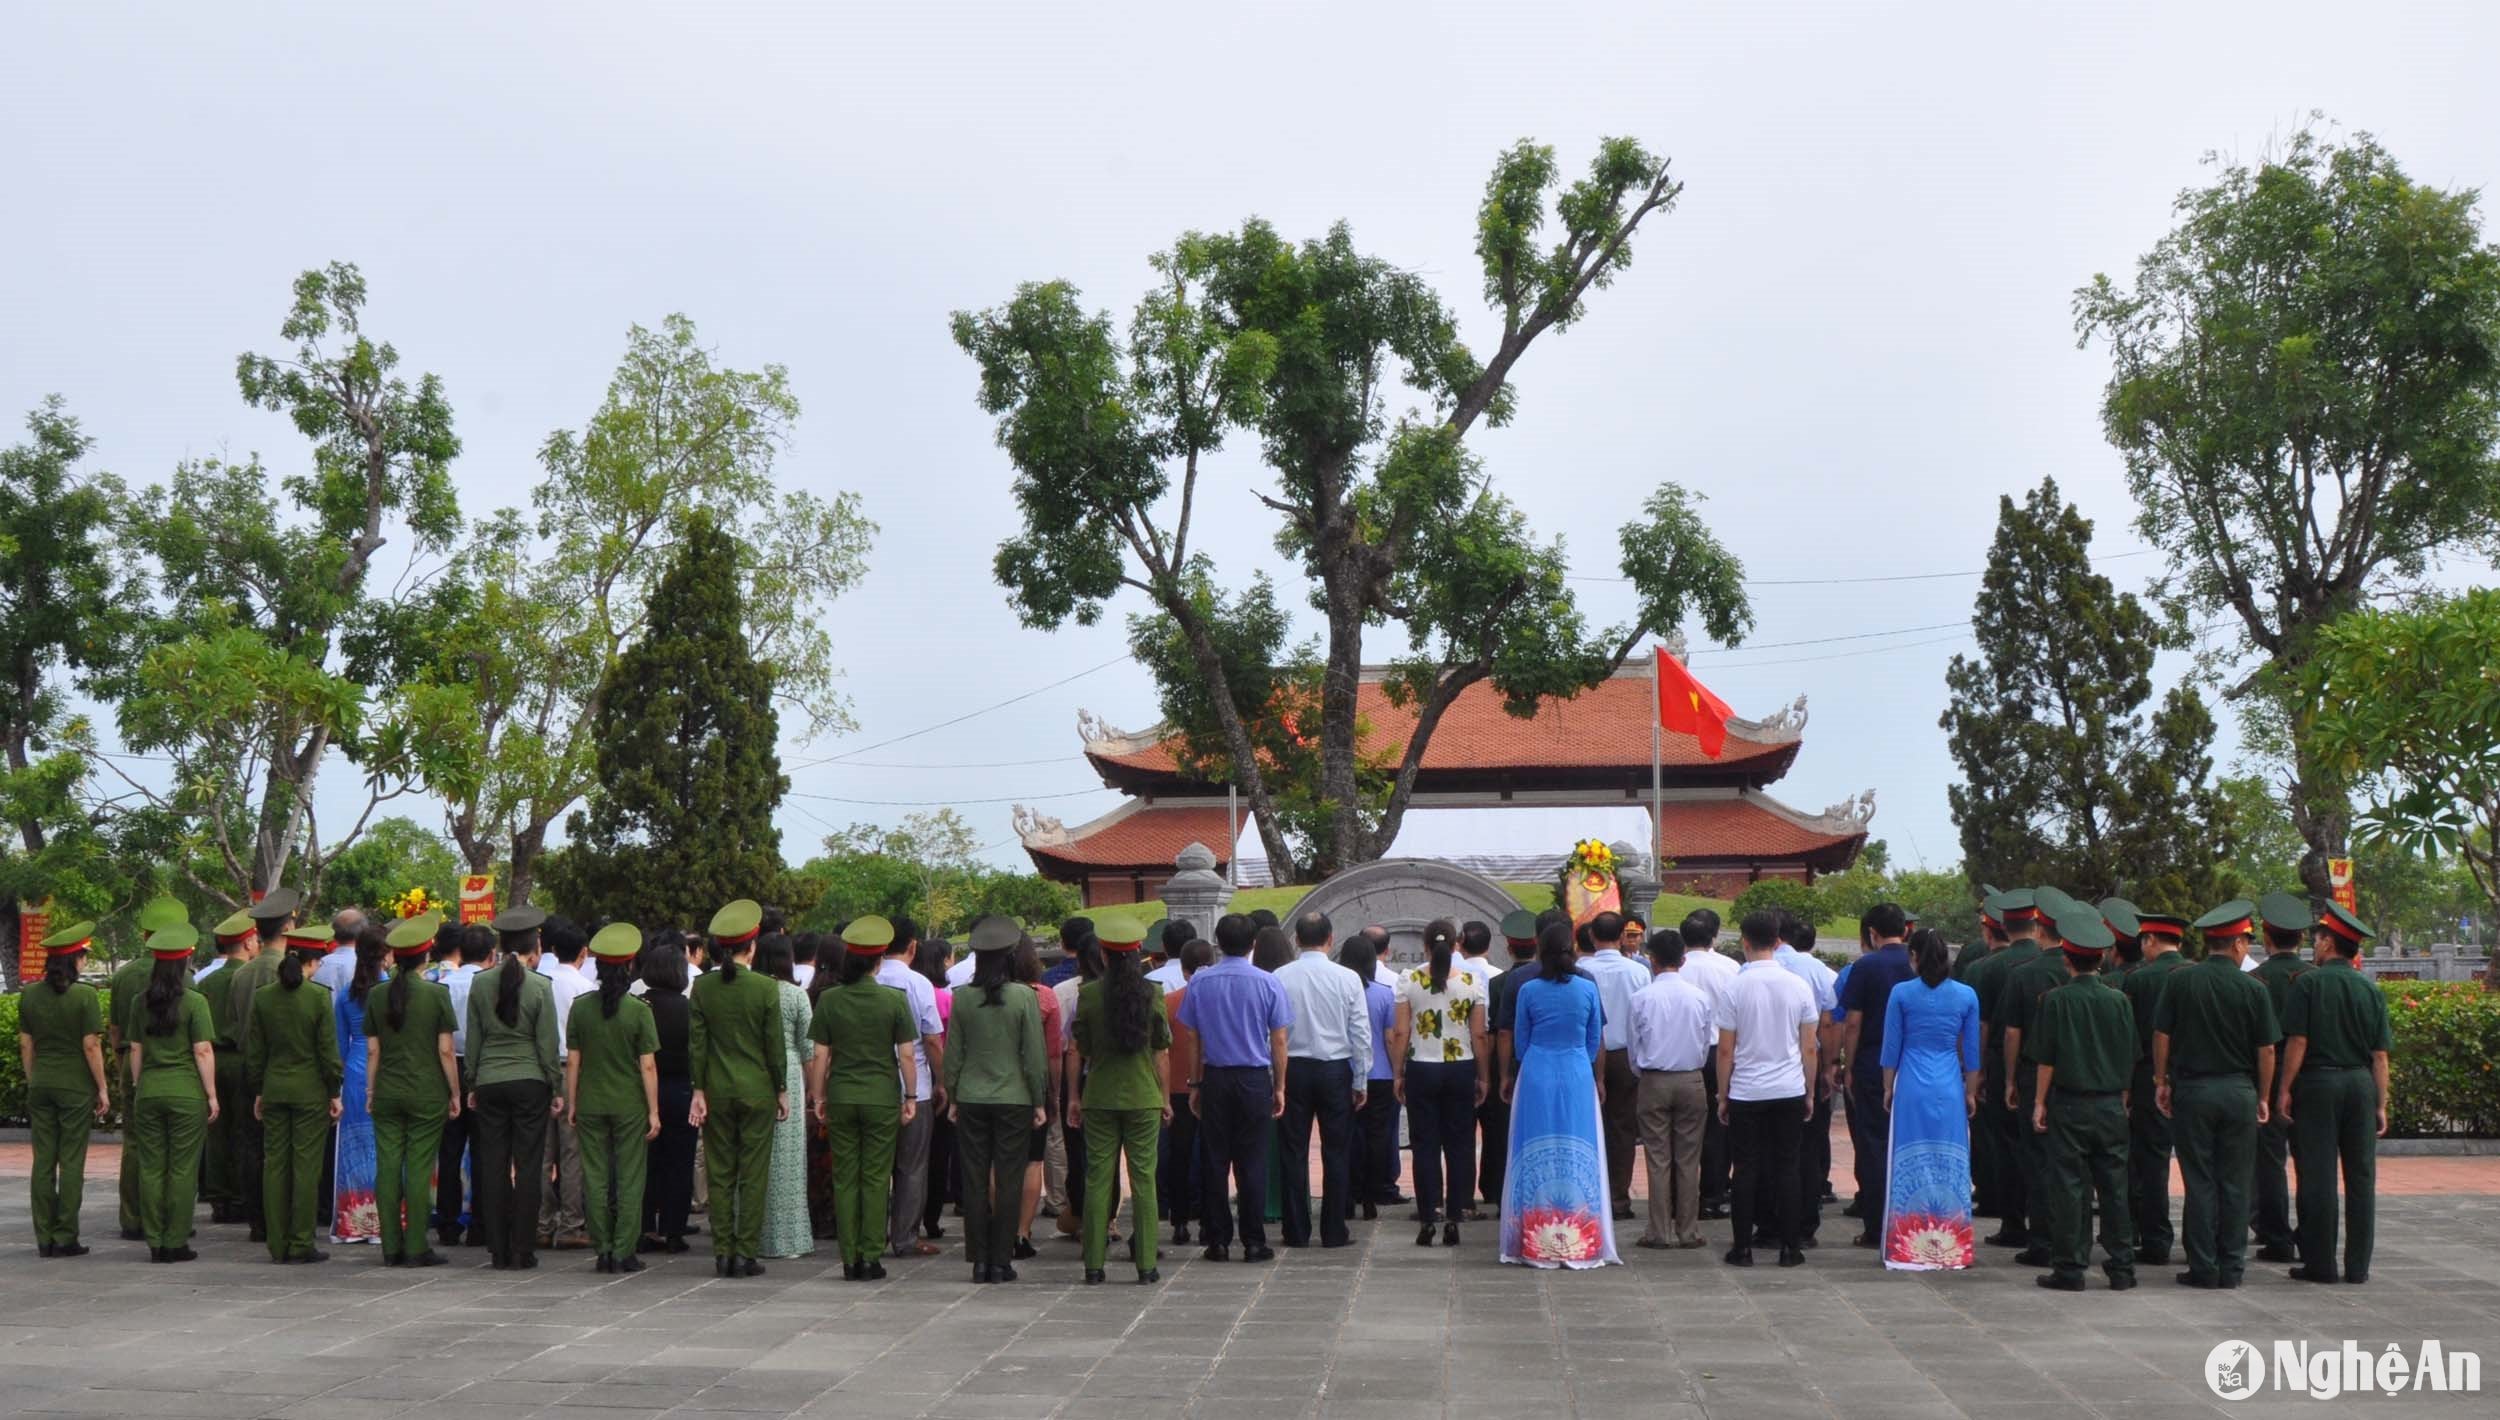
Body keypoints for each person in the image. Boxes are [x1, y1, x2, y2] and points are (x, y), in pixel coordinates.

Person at [2156, 901, 2282, 1289]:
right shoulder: (2253, 988)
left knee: (2199, 1180)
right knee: (2235, 1180)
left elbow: (2162, 1035)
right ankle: (2232, 1265)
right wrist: (2263, 1095)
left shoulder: (2179, 981)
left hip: (2193, 1091)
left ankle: (2203, 1265)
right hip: (2239, 1091)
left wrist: (2161, 1081)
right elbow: (2267, 1050)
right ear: (2239, 944)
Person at [2277, 903, 2391, 1285]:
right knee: (2361, 1178)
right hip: (2360, 1084)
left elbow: (2297, 1041)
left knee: (2319, 1176)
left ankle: (2320, 1264)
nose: (2314, 944)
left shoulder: (2307, 983)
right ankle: (2358, 1267)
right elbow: (2380, 1055)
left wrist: (2285, 1089)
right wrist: (2381, 1103)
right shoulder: (2370, 989)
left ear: (2328, 943)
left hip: (2319, 1084)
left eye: (2318, 938)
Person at [2026, 909, 2138, 1292]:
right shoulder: (2119, 1000)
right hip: (2110, 1105)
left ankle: (2071, 1268)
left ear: (2066, 959)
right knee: (2114, 1187)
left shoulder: (2055, 1001)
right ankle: (2122, 1266)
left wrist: (2039, 1102)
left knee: (2069, 1188)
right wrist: (2122, 1098)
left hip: (2070, 1104)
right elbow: (2128, 1056)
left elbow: (2047, 1059)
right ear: (2101, 959)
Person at [1499, 920, 1617, 1268]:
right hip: (1578, 1070)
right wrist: (1588, 1068)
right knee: (1580, 1144)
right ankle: (1582, 1238)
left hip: (1536, 1071)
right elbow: (1594, 1040)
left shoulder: (1528, 990)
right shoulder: (1587, 990)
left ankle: (1534, 1240)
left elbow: (1520, 1040)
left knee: (1533, 1144)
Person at [809, 915, 919, 1282]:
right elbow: (906, 1054)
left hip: (841, 1095)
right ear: (877, 960)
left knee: (845, 1178)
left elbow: (821, 1055)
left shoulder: (829, 999)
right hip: (881, 1097)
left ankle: (849, 1256)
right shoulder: (894, 1000)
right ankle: (871, 1255)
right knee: (875, 1178)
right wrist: (912, 1095)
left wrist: (818, 1097)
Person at [1178, 912, 1292, 1262]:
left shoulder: (1200, 982)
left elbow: (1193, 1039)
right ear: (1253, 944)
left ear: (1218, 942)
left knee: (1215, 1159)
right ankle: (1254, 1240)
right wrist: (1280, 1086)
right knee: (1252, 1161)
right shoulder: (1268, 982)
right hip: (1254, 1077)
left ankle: (1218, 1239)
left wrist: (1196, 1083)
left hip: (1215, 1076)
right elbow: (1279, 1040)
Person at [943, 917, 1046, 1284]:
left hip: (971, 1096)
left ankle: (979, 1259)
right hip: (1014, 1097)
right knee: (1008, 1178)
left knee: (973, 1179)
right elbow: (1033, 1055)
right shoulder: (1024, 996)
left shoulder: (963, 998)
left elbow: (953, 1052)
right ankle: (1002, 1260)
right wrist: (1039, 1100)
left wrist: (953, 1094)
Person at [692, 899, 789, 1278]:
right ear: (753, 946)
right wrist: (780, 1087)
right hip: (757, 1090)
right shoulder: (765, 988)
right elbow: (774, 1047)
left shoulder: (703, 988)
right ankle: (746, 1253)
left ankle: (722, 1251)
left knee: (719, 1172)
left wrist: (699, 1089)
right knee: (753, 1173)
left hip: (716, 1089)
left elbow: (696, 1045)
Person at [1072, 917, 1172, 1285]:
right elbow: (1162, 1050)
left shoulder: (1089, 994)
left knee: (1098, 1178)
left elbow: (1081, 1046)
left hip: (1099, 1095)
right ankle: (1146, 1265)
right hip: (1143, 1095)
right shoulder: (1153, 993)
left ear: (1103, 952)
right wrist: (1164, 1098)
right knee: (1144, 1180)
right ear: (1138, 954)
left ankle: (1094, 1264)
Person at [1717, 910, 1817, 1268]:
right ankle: (1790, 1247)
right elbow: (1809, 1047)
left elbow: (1726, 1049)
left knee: (1745, 1168)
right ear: (1778, 941)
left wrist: (1723, 1093)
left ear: (1744, 941)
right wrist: (1808, 1090)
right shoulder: (1798, 985)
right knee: (1787, 1167)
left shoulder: (1735, 987)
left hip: (1746, 1089)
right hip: (1788, 1087)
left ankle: (1742, 1247)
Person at [1877, 928, 1981, 1270]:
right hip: (1949, 1085)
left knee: (1910, 1160)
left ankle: (1907, 1246)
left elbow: (1891, 1047)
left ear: (1915, 957)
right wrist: (1970, 1091)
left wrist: (1887, 1087)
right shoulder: (1966, 995)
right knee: (1950, 1162)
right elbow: (1971, 1052)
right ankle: (1952, 1246)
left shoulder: (1902, 993)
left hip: (1911, 1084)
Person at [465, 907, 562, 1271]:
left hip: (489, 1081)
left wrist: (472, 1081)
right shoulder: (540, 986)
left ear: (501, 945)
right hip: (530, 1082)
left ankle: (498, 1249)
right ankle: (523, 1248)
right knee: (529, 1165)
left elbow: (473, 1039)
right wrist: (555, 1085)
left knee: (491, 1166)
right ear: (534, 945)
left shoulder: (480, 983)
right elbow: (547, 1044)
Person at [247, 921, 345, 1263]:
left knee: (275, 1166)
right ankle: (301, 1241)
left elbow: (255, 1052)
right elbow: (328, 1053)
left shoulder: (263, 999)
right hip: (310, 1093)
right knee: (305, 1168)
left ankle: (277, 1242)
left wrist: (259, 1090)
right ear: (311, 961)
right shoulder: (318, 997)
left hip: (274, 1089)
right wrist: (334, 1092)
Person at [566, 922, 659, 1274]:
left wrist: (573, 1102)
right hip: (630, 1104)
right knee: (631, 1177)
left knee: (595, 1176)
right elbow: (647, 1066)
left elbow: (573, 1060)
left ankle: (602, 1248)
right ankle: (624, 1250)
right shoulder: (639, 1010)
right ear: (630, 965)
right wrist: (654, 1111)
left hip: (590, 1101)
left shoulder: (581, 1007)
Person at [1273, 911, 1369, 1250]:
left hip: (1294, 1069)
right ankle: (1333, 1230)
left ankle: (1296, 1230)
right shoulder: (1347, 978)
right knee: (1336, 1151)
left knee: (1293, 1151)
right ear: (1330, 939)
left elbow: (1274, 1033)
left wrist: (1277, 1080)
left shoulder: (1280, 976)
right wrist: (1361, 1078)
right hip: (1334, 1069)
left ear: (1297, 940)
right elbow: (1360, 1032)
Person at [367, 913, 459, 1268]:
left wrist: (371, 1091)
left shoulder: (376, 996)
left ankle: (390, 1245)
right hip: (426, 1091)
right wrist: (454, 1092)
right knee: (419, 1168)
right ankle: (417, 1245)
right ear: (426, 956)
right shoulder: (437, 994)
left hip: (388, 1090)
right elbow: (446, 1050)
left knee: (388, 1166)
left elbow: (373, 1049)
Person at [123, 923, 218, 1263]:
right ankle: (175, 1240)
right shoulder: (195, 1002)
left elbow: (135, 1049)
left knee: (151, 1166)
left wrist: (138, 1085)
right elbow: (203, 1051)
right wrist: (211, 1094)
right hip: (186, 1093)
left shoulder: (139, 1002)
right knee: (181, 1168)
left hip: (149, 1089)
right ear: (184, 963)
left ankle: (155, 1239)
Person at [1392, 918, 1490, 1247]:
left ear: (1425, 946)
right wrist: (1484, 1074)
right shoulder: (1471, 981)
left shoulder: (1410, 981)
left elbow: (1402, 1032)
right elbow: (1479, 1033)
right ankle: (1456, 1213)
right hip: (1460, 1067)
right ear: (1457, 943)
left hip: (1422, 1066)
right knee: (1460, 1144)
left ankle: (1429, 1212)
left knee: (1426, 1145)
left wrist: (1398, 1072)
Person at [21, 921, 112, 1257]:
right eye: (84, 956)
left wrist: (34, 1080)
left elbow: (26, 1045)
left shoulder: (29, 994)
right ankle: (65, 1236)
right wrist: (102, 1087)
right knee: (71, 1161)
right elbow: (91, 1046)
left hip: (42, 1084)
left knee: (43, 1160)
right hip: (74, 1087)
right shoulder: (85, 996)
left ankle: (43, 1237)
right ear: (75, 960)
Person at [1999, 892, 2078, 1268]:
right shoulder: (2082, 968)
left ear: (2040, 930)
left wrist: (2011, 1079)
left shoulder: (2023, 974)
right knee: (2075, 1164)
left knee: (2037, 1161)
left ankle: (2043, 1240)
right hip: (2078, 1078)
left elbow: (2012, 1033)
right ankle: (2074, 1241)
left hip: (2034, 1076)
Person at [1626, 923, 1712, 1251]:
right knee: (1689, 1159)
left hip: (1654, 1079)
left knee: (1657, 1158)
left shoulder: (1641, 998)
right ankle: (1688, 1230)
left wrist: (1642, 1072)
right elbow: (1705, 1043)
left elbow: (1635, 1046)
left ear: (1652, 960)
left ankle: (1659, 1231)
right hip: (1691, 1078)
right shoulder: (1699, 998)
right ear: (1683, 960)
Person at [108, 896, 187, 1240]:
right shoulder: (188, 980)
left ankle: (132, 1217)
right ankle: (169, 1219)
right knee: (175, 1150)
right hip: (176, 1068)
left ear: (144, 935)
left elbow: (114, 1030)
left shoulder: (124, 975)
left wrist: (121, 1063)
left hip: (133, 1062)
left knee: (136, 1143)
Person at [1835, 906, 1914, 1246]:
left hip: (1872, 1060)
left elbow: (1852, 1021)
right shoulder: (1917, 963)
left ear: (1871, 933)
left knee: (1872, 1144)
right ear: (1905, 931)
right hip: (1912, 1062)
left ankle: (1875, 1225)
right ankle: (1909, 1219)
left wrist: (1847, 1065)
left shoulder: (1865, 967)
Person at [1968, 890, 2042, 1248]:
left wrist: (1977, 1069)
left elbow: (1981, 1025)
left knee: (2006, 1142)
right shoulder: (2052, 962)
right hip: (2047, 1064)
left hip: (2001, 1061)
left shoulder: (1984, 968)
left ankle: (2013, 1222)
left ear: (1992, 930)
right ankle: (2044, 1220)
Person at [2119, 912, 2190, 1264]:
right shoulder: (2196, 975)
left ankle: (2155, 1238)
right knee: (2199, 1168)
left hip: (2148, 1078)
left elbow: (2129, 1038)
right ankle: (2200, 1242)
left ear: (2150, 941)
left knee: (2151, 1162)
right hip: (2192, 1077)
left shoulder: (2138, 980)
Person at [2247, 891, 2313, 1265]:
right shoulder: (2317, 979)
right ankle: (2310, 1234)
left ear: (2266, 938)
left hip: (2267, 1082)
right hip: (2311, 1081)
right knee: (2310, 1163)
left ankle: (2275, 1236)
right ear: (2302, 939)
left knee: (2269, 1163)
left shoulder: (2254, 980)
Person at [876, 915, 946, 1260]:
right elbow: (932, 1039)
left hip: (875, 1086)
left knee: (875, 1167)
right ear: (913, 946)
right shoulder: (918, 983)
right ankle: (904, 1236)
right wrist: (943, 1080)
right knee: (912, 1166)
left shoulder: (869, 980)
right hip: (914, 1088)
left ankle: (872, 1234)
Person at [1578, 912, 1649, 1223]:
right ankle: (1618, 1199)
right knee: (1622, 1129)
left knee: (1585, 1125)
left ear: (1593, 937)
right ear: (1622, 936)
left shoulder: (1580, 970)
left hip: (1585, 1053)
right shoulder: (1637, 972)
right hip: (1624, 1053)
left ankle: (1588, 1194)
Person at [535, 917, 597, 1252]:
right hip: (573, 1069)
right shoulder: (585, 988)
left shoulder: (537, 981)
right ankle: (573, 1224)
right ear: (583, 953)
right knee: (573, 1151)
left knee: (543, 1151)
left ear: (552, 949)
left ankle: (543, 1224)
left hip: (541, 1068)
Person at [753, 934, 816, 1261]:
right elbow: (809, 1049)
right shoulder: (795, 995)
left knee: (752, 1157)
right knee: (788, 1160)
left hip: (754, 1072)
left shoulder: (750, 992)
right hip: (789, 1075)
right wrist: (814, 1091)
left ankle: (752, 1233)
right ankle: (787, 1238)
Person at [637, 937, 698, 1255]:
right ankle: (674, 1229)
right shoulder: (688, 1008)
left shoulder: (639, 1005)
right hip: (682, 1087)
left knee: (645, 1161)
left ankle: (644, 1225)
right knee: (680, 1160)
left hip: (645, 1089)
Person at [330, 921, 390, 1245]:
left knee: (353, 1148)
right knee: (386, 1147)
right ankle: (384, 1222)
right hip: (384, 1067)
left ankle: (353, 1224)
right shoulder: (389, 989)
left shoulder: (345, 995)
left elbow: (339, 1045)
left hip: (353, 1070)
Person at [195, 910, 256, 1223]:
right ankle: (243, 1194)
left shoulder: (207, 980)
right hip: (240, 1058)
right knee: (245, 1129)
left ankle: (220, 1197)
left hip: (212, 1060)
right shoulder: (249, 976)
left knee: (217, 1131)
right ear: (247, 943)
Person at [433, 922, 492, 1250]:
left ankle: (447, 1221)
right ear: (489, 954)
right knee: (484, 1148)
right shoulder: (489, 984)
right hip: (482, 1065)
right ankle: (481, 1224)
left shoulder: (442, 983)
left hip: (449, 1065)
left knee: (450, 1149)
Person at [1479, 910, 1541, 1214]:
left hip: (1508, 1063)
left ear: (1509, 946)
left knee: (1500, 1130)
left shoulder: (1500, 983)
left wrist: (1494, 1073)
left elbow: (1496, 1030)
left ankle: (1494, 1187)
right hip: (1535, 1060)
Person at [1338, 933, 1401, 1220]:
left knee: (1347, 1136)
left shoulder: (1339, 990)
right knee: (1378, 1137)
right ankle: (1372, 1194)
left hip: (1344, 1072)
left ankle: (1348, 1193)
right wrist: (1397, 1071)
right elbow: (1390, 1038)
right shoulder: (1383, 994)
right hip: (1380, 1074)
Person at [1009, 935, 1062, 1260]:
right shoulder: (1044, 997)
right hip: (1033, 1088)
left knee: (995, 1163)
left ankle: (1001, 1226)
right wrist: (1053, 1093)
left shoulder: (975, 997)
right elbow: (1054, 1053)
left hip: (989, 1089)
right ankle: (1022, 1231)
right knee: (1032, 1161)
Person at [1160, 940, 1214, 1247]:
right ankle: (1208, 1219)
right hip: (1211, 1083)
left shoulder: (1169, 1001)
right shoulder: (1218, 999)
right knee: (1212, 1155)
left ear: (1183, 969)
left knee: (1178, 1157)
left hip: (1177, 1087)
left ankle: (1179, 1220)